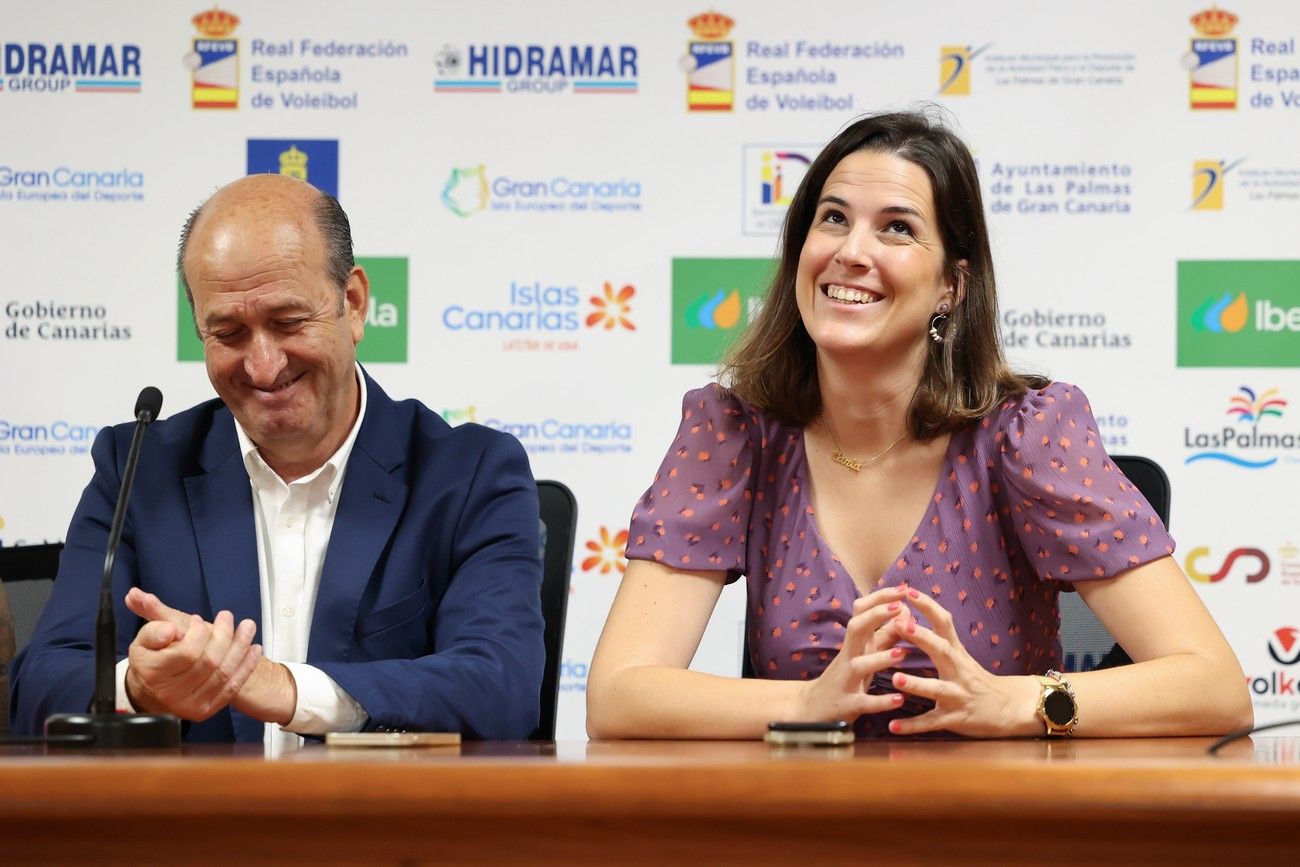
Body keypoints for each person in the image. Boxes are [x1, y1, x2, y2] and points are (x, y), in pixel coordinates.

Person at [587, 110, 1252, 739]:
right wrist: (803, 700)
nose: (852, 251)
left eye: (897, 228)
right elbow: (618, 694)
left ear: (950, 287)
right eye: (832, 219)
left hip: (992, 831)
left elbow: (1216, 687)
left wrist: (1016, 700)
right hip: (801, 831)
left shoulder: (1027, 436)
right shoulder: (733, 435)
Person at [9, 174, 545, 744]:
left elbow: (502, 685)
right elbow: (39, 684)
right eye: (229, 333)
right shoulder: (138, 467)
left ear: (355, 304)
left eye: (288, 323)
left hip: (380, 827)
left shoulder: (469, 474)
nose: (263, 367)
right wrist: (135, 688)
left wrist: (287, 689)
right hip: (194, 827)